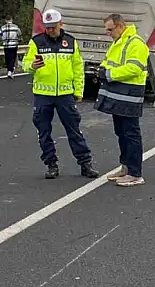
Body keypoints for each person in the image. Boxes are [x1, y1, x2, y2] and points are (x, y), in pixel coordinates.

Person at [22, 9, 99, 180]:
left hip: (65, 94)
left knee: (74, 130)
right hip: (43, 94)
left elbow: (78, 68)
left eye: (53, 27)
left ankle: (85, 164)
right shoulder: (37, 41)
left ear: (61, 24)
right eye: (47, 27)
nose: (49, 30)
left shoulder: (70, 42)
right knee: (43, 131)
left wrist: (78, 91)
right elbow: (25, 64)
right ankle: (51, 164)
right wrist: (32, 66)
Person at [95, 13, 149, 187]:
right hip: (118, 94)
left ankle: (135, 173)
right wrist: (102, 70)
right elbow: (107, 61)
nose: (108, 33)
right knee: (121, 132)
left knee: (131, 133)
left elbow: (135, 68)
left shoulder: (136, 43)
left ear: (120, 26)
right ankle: (125, 167)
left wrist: (109, 74)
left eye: (110, 29)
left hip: (130, 95)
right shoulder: (118, 43)